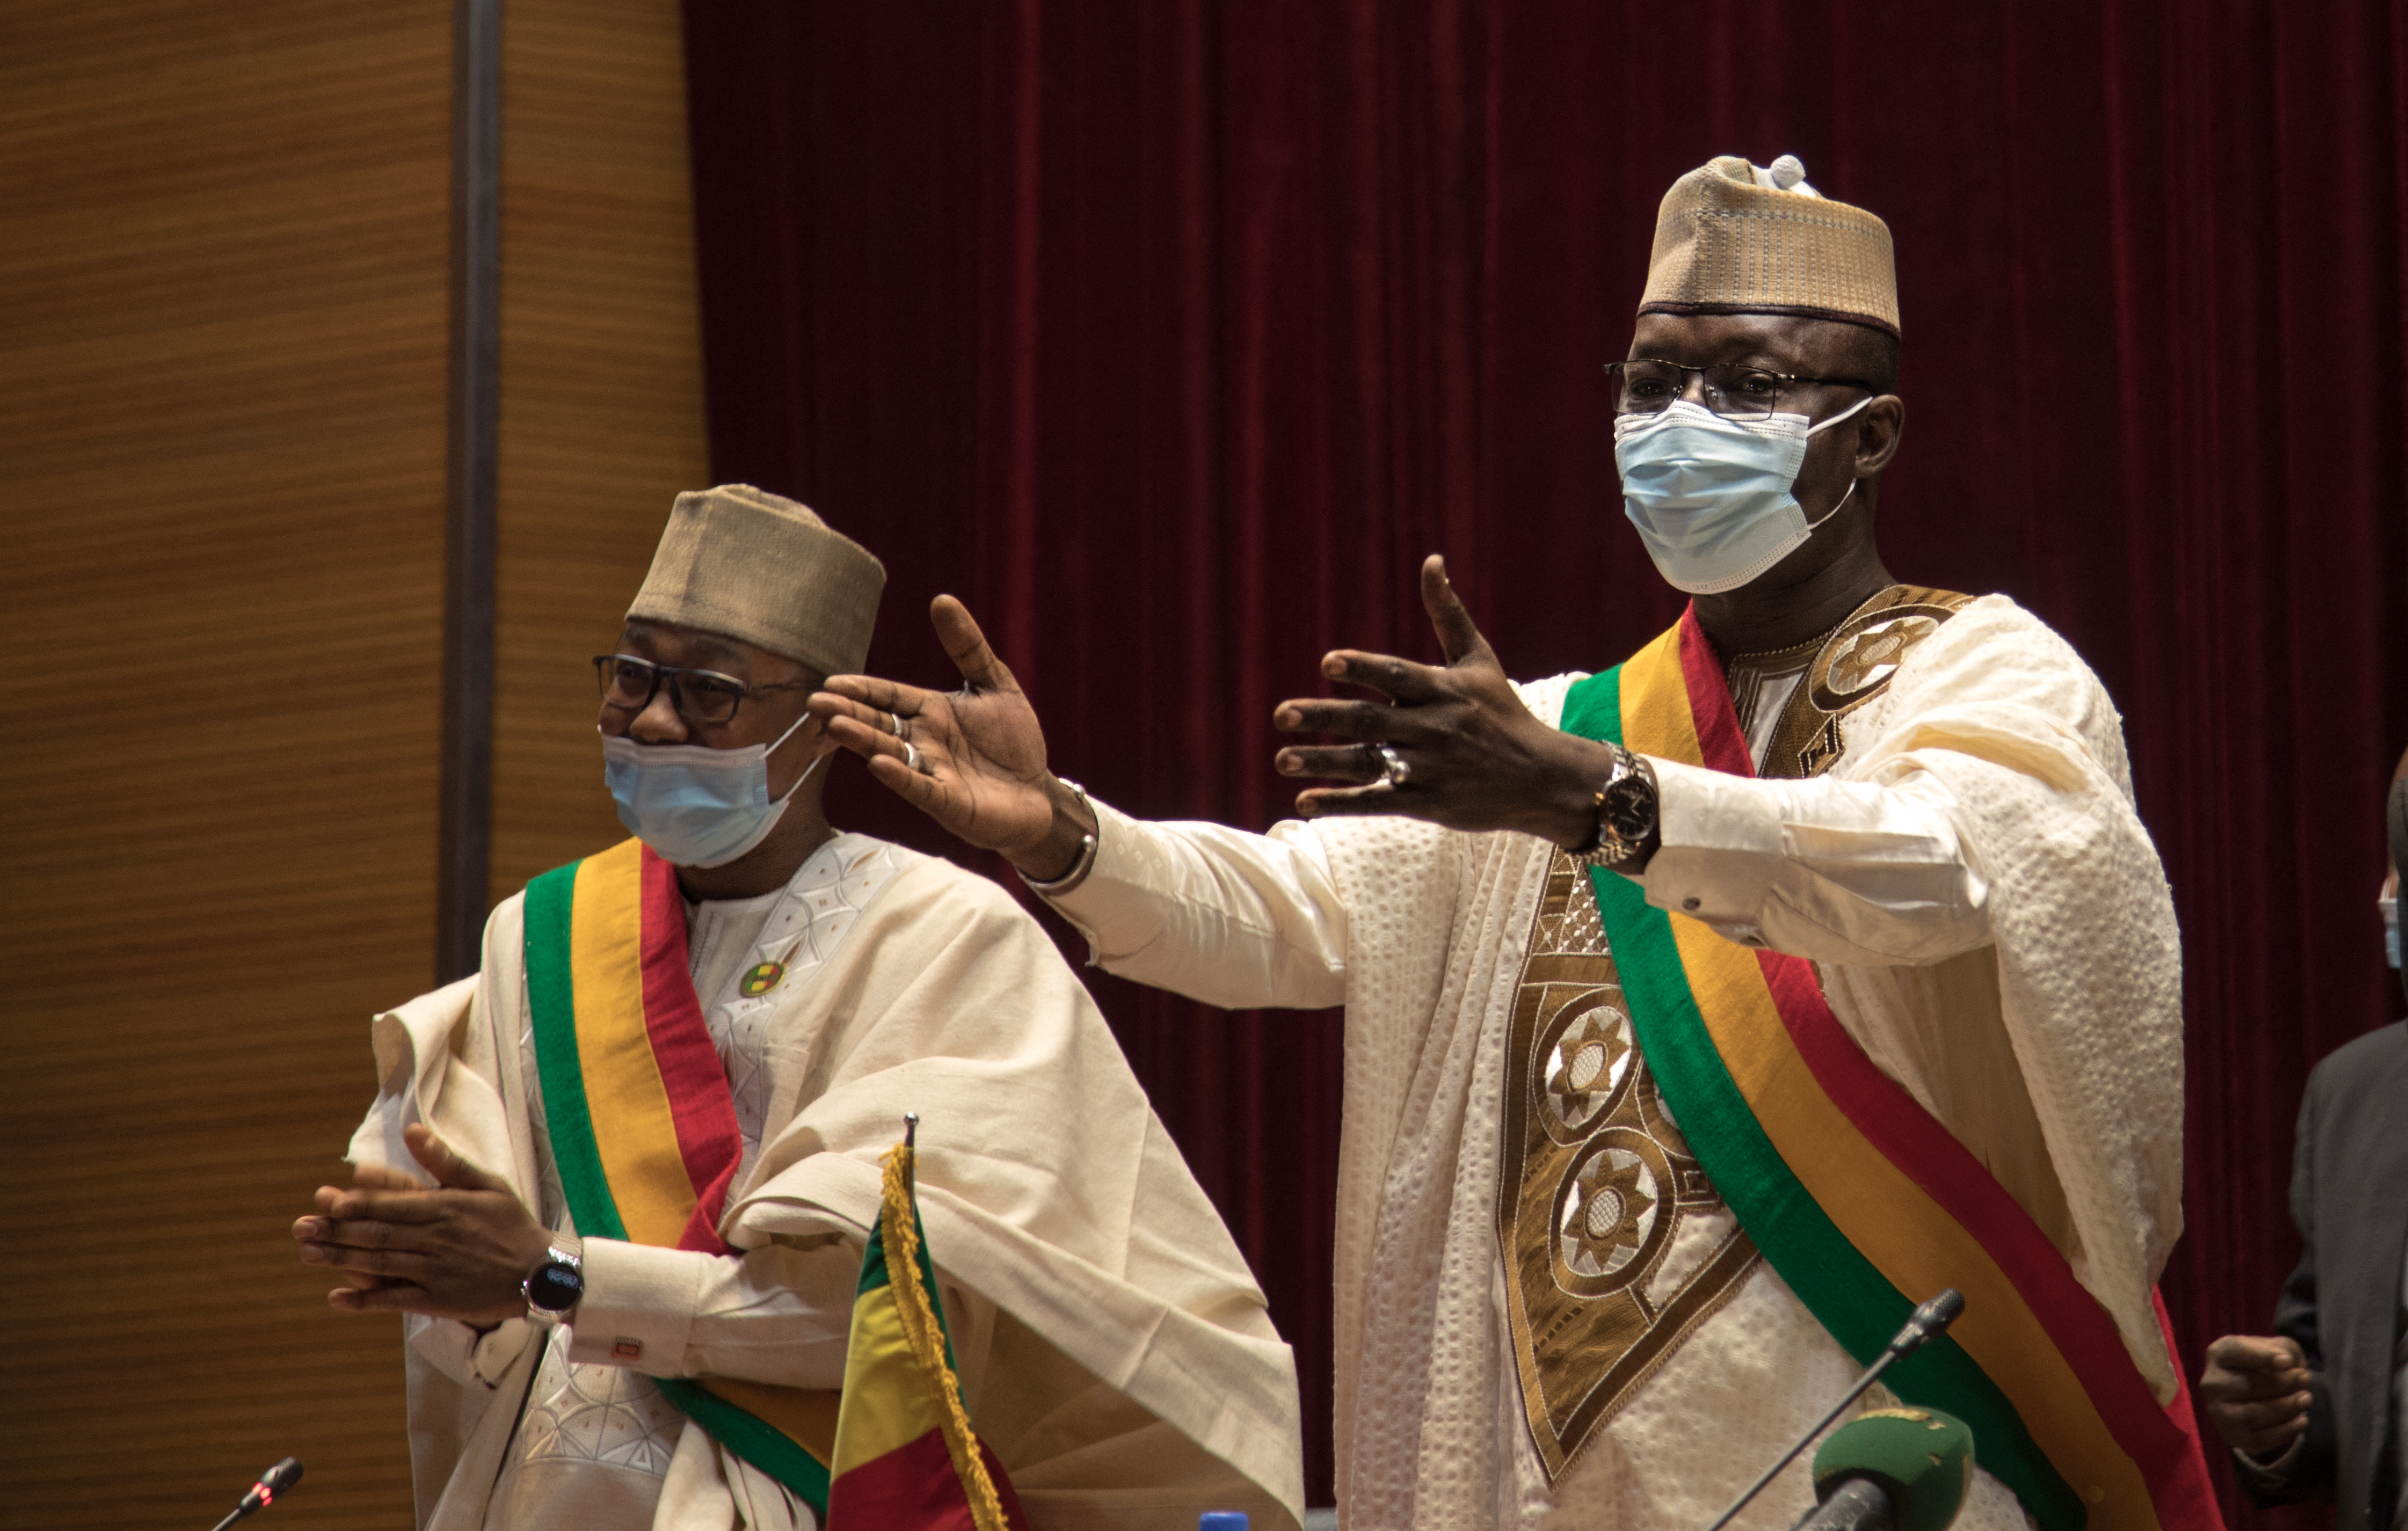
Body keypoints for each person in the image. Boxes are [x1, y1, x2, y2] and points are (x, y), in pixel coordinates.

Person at [809, 157, 2221, 1529]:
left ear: (1870, 434)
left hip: (1879, 1454)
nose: (1679, 420)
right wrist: (1059, 831)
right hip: (1554, 1474)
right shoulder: (1551, 730)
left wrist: (1597, 799)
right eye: (1648, 381)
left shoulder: (1985, 674)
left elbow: (1942, 868)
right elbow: (1287, 913)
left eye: (1742, 384)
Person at [292, 485, 1304, 1531]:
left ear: (823, 721)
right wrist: (437, 1262)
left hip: (808, 1491)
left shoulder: (945, 938)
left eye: (708, 691)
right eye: (632, 674)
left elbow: (886, 1314)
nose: (650, 716)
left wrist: (555, 1276)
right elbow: (485, 1294)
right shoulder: (537, 931)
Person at [2199, 752, 2408, 1531]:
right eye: (2395, 861)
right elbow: (2347, 1395)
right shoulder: (2350, 1097)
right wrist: (2273, 1417)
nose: (2387, 895)